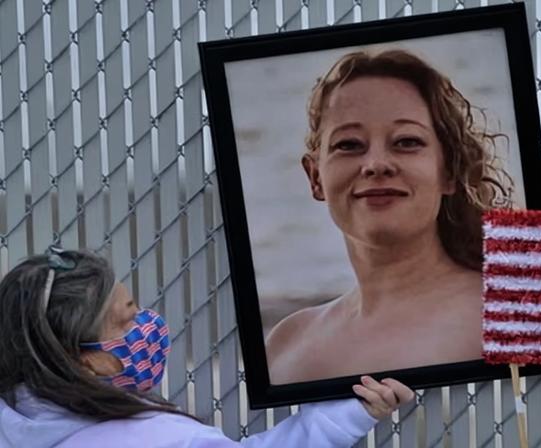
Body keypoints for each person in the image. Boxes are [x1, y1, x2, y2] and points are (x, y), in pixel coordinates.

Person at [265, 49, 514, 385]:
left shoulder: (506, 316)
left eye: (407, 142)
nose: (375, 164)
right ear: (315, 177)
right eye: (349, 145)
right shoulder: (286, 346)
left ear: (450, 171)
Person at [0, 249, 414, 447]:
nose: (146, 323)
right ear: (83, 359)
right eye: (126, 318)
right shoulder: (156, 439)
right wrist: (347, 415)